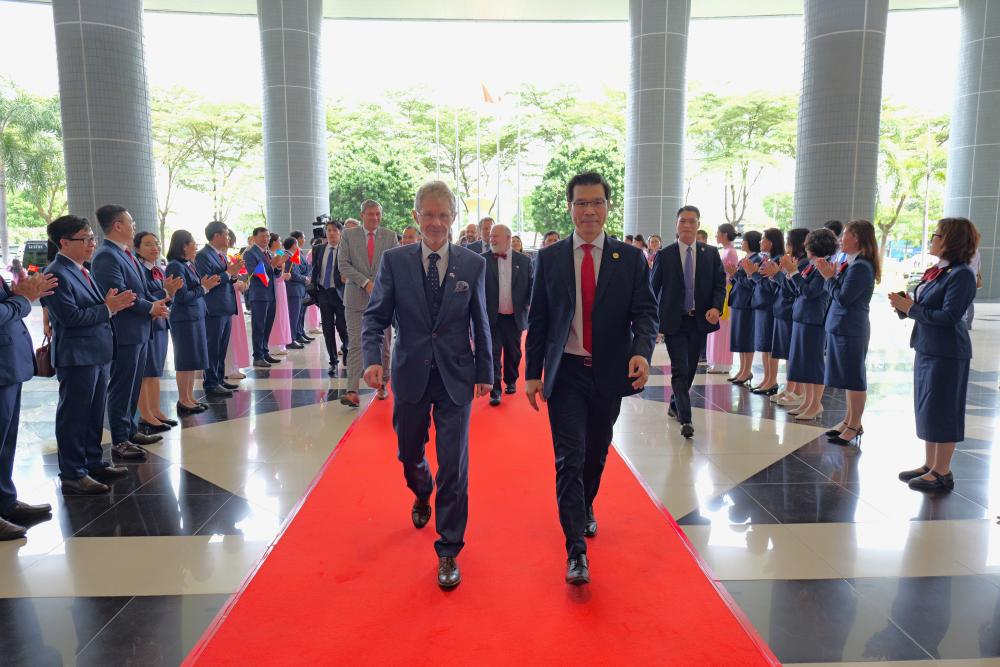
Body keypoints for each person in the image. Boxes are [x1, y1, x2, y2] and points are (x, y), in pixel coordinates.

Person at [525, 171, 657, 585]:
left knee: (597, 453)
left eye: (596, 202)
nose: (588, 211)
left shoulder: (630, 259)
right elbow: (540, 319)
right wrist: (532, 374)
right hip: (565, 374)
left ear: (607, 207)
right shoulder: (549, 258)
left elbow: (646, 314)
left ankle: (586, 506)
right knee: (569, 458)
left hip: (607, 373)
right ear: (570, 208)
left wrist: (641, 352)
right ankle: (575, 552)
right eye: (581, 203)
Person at [362, 180, 492, 589]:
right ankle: (421, 490)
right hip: (410, 374)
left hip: (457, 377)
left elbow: (481, 321)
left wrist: (487, 371)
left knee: (454, 466)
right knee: (408, 452)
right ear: (416, 218)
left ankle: (449, 549)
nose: (436, 223)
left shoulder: (472, 264)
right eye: (429, 214)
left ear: (453, 219)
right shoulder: (395, 261)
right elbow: (375, 317)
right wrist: (371, 361)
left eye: (443, 215)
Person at [43, 215, 135, 495]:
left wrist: (109, 307)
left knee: (95, 414)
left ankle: (93, 462)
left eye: (93, 238)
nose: (92, 244)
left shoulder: (83, 269)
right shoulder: (56, 273)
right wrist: (108, 308)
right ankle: (72, 473)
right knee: (74, 416)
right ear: (64, 242)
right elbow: (70, 317)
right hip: (77, 356)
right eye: (86, 239)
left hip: (97, 352)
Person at [889, 217, 979, 492]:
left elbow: (950, 316)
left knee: (944, 408)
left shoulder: (962, 274)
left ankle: (943, 470)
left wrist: (912, 308)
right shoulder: (940, 270)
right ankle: (930, 464)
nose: (932, 240)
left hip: (948, 351)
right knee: (928, 405)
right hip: (928, 346)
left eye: (937, 235)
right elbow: (928, 307)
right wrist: (906, 306)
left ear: (950, 240)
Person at [90, 204, 170, 461]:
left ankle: (130, 430)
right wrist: (150, 308)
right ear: (118, 226)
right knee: (121, 387)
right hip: (124, 331)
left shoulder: (126, 254)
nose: (133, 226)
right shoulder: (106, 256)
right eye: (130, 222)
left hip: (139, 329)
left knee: (133, 385)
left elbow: (142, 288)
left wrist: (155, 304)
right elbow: (120, 294)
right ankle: (120, 440)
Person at [651, 205, 726, 439]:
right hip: (674, 322)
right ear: (676, 224)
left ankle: (675, 403)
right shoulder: (665, 255)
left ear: (698, 225)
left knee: (690, 370)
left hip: (699, 321)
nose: (687, 225)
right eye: (683, 221)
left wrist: (715, 307)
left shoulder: (710, 254)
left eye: (692, 221)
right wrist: (651, 322)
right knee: (680, 369)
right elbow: (652, 289)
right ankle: (686, 418)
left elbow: (719, 285)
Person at [0, 267, 57, 539]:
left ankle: (5, 502)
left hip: (9, 364)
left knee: (6, 442)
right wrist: (22, 300)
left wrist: (17, 294)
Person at [816, 219, 880, 447]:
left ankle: (855, 425)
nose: (841, 240)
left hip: (851, 328)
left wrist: (828, 278)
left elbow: (844, 297)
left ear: (858, 238)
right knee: (846, 377)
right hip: (840, 326)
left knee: (854, 379)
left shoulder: (862, 267)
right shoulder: (851, 263)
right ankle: (848, 420)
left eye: (845, 235)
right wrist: (831, 278)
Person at [339, 199, 398, 407]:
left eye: (377, 214)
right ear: (362, 215)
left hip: (382, 300)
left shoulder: (390, 237)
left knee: (383, 344)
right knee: (355, 343)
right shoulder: (348, 235)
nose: (375, 217)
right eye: (371, 214)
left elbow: (395, 267)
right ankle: (352, 389)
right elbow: (343, 265)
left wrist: (380, 286)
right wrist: (365, 282)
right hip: (355, 298)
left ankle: (382, 383)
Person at [781, 228, 837, 421]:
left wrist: (793, 272)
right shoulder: (812, 265)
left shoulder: (824, 265)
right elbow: (798, 289)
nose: (804, 246)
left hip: (814, 320)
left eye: (808, 242)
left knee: (814, 363)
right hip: (801, 316)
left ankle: (816, 404)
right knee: (803, 362)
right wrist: (790, 274)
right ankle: (807, 401)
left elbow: (811, 292)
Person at [166, 230, 218, 416]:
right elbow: (182, 296)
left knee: (192, 359)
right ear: (183, 246)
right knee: (185, 360)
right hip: (184, 318)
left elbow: (192, 288)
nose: (196, 246)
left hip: (195, 316)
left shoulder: (188, 265)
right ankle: (183, 400)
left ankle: (189, 397)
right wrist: (204, 288)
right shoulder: (175, 266)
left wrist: (201, 285)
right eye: (194, 243)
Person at [134, 231, 182, 433]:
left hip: (160, 322)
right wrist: (166, 291)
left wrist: (168, 292)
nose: (155, 248)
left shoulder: (157, 270)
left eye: (156, 243)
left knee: (155, 370)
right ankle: (145, 414)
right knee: (146, 372)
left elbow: (163, 295)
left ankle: (155, 409)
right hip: (147, 323)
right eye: (148, 244)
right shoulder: (138, 271)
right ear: (137, 249)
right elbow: (144, 297)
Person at [483, 224, 533, 406]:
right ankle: (495, 390)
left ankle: (511, 380)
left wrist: (528, 302)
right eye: (490, 236)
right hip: (492, 317)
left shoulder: (525, 261)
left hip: (514, 317)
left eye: (496, 236)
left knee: (513, 352)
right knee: (493, 353)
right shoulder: (483, 260)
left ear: (508, 238)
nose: (492, 239)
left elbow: (531, 286)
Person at [761, 228, 809, 406]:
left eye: (789, 240)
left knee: (792, 353)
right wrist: (777, 275)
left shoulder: (802, 264)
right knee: (787, 352)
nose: (787, 244)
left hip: (789, 310)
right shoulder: (794, 261)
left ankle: (797, 390)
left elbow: (792, 288)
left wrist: (778, 274)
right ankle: (791, 388)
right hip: (782, 310)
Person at [195, 220, 243, 398]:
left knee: (221, 347)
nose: (229, 238)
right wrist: (229, 273)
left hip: (225, 307)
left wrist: (233, 274)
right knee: (213, 347)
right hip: (214, 308)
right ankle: (211, 383)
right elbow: (209, 280)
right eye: (226, 235)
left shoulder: (220, 254)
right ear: (216, 236)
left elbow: (227, 277)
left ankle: (219, 379)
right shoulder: (203, 256)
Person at [242, 227, 284, 367]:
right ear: (254, 238)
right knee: (258, 326)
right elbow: (254, 273)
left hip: (271, 293)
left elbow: (275, 274)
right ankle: (257, 356)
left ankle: (265, 352)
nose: (266, 239)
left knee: (267, 325)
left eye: (267, 236)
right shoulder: (250, 253)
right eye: (262, 236)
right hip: (259, 295)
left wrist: (277, 266)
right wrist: (271, 265)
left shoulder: (268, 253)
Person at [312, 220, 348, 377]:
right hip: (323, 293)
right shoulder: (318, 249)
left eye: (334, 230)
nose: (331, 233)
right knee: (327, 329)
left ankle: (346, 350)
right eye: (328, 230)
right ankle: (333, 361)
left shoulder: (346, 250)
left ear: (340, 232)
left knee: (343, 328)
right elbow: (315, 269)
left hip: (340, 294)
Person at [727, 230, 761, 385]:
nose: (742, 242)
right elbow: (739, 280)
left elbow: (752, 283)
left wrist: (737, 275)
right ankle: (742, 369)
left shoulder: (756, 260)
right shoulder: (745, 259)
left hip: (747, 303)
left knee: (746, 338)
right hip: (738, 301)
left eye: (745, 240)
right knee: (739, 338)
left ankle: (747, 370)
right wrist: (734, 275)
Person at [706, 224, 739, 374]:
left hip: (725, 292)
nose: (716, 236)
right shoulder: (724, 250)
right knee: (716, 329)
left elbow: (730, 275)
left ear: (725, 234)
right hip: (719, 290)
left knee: (723, 329)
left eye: (718, 233)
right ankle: (715, 361)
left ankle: (723, 363)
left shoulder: (731, 252)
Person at [225, 229, 251, 380]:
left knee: (236, 334)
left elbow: (233, 276)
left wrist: (242, 282)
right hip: (227, 299)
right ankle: (228, 368)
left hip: (234, 299)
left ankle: (234, 365)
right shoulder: (215, 257)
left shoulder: (229, 257)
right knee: (229, 336)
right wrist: (237, 284)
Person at [268, 233, 295, 353]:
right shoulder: (269, 254)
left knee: (283, 315)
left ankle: (282, 343)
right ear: (273, 242)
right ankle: (274, 345)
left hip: (281, 285)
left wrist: (284, 275)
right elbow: (270, 273)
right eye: (279, 240)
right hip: (275, 285)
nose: (281, 242)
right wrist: (281, 275)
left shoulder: (279, 253)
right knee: (277, 315)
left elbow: (281, 267)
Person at [282, 236, 308, 349]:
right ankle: (291, 339)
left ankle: (294, 336)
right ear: (293, 245)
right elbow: (292, 273)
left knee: (296, 316)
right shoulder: (287, 257)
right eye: (296, 244)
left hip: (297, 290)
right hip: (293, 290)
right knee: (293, 316)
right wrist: (305, 279)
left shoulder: (292, 256)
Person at [290, 230, 315, 345]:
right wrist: (305, 278)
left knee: (301, 313)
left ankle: (300, 332)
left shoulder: (300, 253)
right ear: (298, 239)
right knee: (296, 314)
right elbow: (297, 270)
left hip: (303, 286)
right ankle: (296, 335)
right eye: (303, 237)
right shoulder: (293, 254)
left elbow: (307, 267)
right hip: (297, 286)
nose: (304, 240)